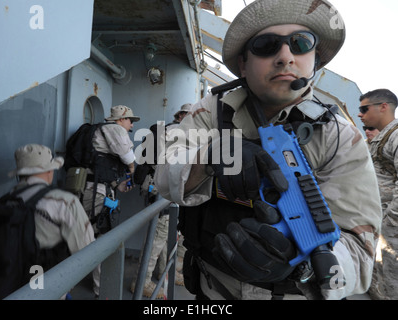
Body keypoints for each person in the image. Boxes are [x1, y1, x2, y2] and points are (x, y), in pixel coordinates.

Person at [154, 0, 382, 300]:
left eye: (301, 43)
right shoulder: (213, 110)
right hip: (212, 289)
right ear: (243, 65)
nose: (285, 57)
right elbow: (164, 175)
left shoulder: (338, 136)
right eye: (266, 45)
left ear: (314, 60)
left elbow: (360, 256)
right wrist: (208, 157)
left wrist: (302, 266)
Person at [8, 143, 100, 298]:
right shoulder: (64, 201)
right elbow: (87, 251)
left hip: (8, 282)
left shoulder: (5, 201)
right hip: (46, 284)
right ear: (49, 171)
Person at [130, 104, 192, 299]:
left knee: (169, 234)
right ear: (181, 115)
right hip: (162, 191)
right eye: (189, 115)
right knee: (158, 237)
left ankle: (167, 273)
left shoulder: (172, 131)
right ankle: (141, 282)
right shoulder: (178, 132)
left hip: (164, 190)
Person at [358, 89, 398, 300]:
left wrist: (389, 221)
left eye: (364, 109)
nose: (359, 114)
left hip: (391, 226)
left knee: (391, 279)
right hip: (378, 220)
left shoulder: (396, 136)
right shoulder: (382, 138)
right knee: (377, 273)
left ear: (383, 107)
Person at [81, 105, 139, 234]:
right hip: (96, 190)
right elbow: (127, 156)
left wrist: (116, 185)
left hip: (96, 186)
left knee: (94, 228)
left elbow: (102, 167)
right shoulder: (115, 129)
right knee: (95, 229)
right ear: (121, 119)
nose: (132, 125)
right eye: (131, 121)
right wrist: (132, 170)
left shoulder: (102, 129)